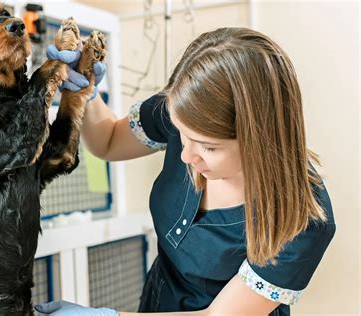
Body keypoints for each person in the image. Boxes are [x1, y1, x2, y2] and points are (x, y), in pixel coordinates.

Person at [35, 27, 336, 316]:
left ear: (260, 137)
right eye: (181, 134)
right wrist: (86, 93)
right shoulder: (183, 110)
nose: (185, 154)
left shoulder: (302, 219)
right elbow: (110, 141)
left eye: (209, 147)